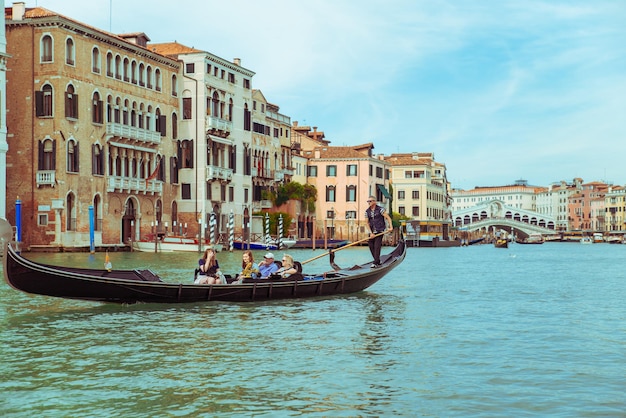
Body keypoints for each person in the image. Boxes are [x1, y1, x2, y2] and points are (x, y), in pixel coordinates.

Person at [365, 196, 393, 268]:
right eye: (368, 201)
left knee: (377, 246)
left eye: (370, 201)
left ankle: (375, 262)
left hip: (380, 231)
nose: (369, 203)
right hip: (372, 232)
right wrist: (371, 233)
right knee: (371, 245)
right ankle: (377, 260)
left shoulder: (380, 210)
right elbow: (367, 223)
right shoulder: (367, 211)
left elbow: (388, 218)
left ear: (374, 202)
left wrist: (390, 226)